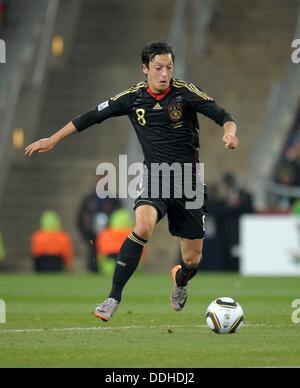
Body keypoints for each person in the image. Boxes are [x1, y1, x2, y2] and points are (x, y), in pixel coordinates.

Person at [25, 41, 239, 322]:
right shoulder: (132, 98)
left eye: (169, 67)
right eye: (159, 68)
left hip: (189, 182)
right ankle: (113, 296)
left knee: (192, 259)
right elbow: (90, 116)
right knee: (142, 226)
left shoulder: (185, 94)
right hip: (155, 177)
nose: (165, 74)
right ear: (145, 68)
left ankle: (180, 278)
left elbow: (224, 115)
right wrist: (52, 139)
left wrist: (229, 133)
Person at [77, 181, 121, 273]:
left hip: (109, 239)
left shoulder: (114, 200)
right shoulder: (89, 199)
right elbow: (81, 218)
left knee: (109, 261)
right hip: (93, 236)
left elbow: (119, 217)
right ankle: (93, 270)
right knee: (93, 257)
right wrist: (87, 233)